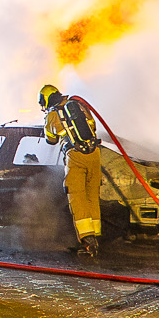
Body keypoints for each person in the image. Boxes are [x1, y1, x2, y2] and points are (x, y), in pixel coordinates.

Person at [40, 83, 105, 258]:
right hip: (94, 154)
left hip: (75, 155)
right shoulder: (79, 105)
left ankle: (87, 242)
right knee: (92, 195)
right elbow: (93, 127)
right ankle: (96, 237)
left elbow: (51, 140)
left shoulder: (53, 114)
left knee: (77, 196)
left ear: (46, 99)